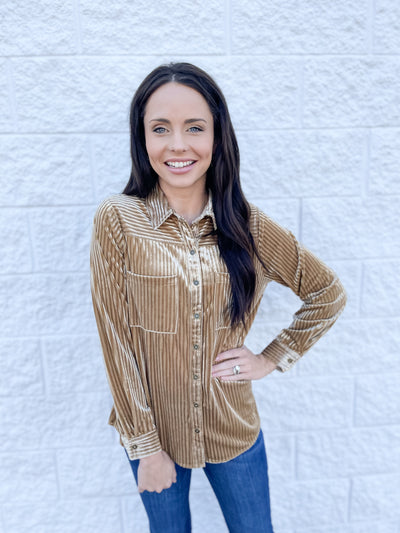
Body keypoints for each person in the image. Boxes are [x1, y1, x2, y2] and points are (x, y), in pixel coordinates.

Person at [90, 62, 347, 533]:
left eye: (195, 127)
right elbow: (117, 342)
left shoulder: (249, 227)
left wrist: (271, 357)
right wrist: (146, 446)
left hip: (235, 428)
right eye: (160, 128)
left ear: (216, 135)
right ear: (142, 138)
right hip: (156, 436)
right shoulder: (118, 220)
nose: (178, 145)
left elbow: (327, 293)